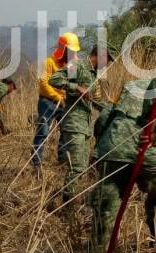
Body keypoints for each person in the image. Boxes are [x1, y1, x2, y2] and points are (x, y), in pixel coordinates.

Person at [89, 74, 156, 253]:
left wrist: (100, 147)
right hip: (144, 152)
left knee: (105, 211)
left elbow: (106, 115)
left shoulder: (130, 86)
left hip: (111, 148)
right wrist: (150, 173)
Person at [49, 43, 114, 204]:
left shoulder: (93, 76)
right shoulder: (77, 66)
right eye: (108, 60)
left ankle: (71, 199)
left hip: (85, 127)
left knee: (82, 167)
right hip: (74, 123)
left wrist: (115, 109)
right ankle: (67, 205)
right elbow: (54, 79)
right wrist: (76, 87)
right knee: (77, 166)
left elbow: (95, 101)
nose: (108, 64)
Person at [31, 33, 80, 172]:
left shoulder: (72, 65)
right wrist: (58, 97)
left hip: (65, 103)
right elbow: (43, 83)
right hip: (47, 102)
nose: (72, 54)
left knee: (65, 131)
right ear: (63, 49)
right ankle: (36, 163)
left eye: (74, 52)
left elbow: (73, 83)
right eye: (70, 51)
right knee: (43, 132)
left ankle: (62, 160)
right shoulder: (48, 62)